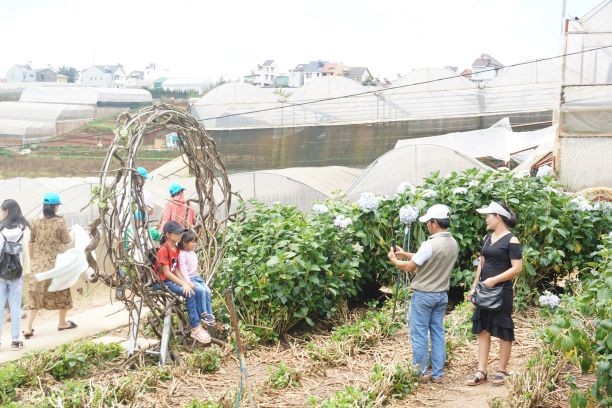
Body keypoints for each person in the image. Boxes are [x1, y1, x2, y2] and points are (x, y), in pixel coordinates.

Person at [388, 204, 458, 384]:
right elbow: (427, 257)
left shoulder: (430, 244)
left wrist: (396, 260)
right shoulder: (452, 242)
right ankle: (437, 374)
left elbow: (411, 268)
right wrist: (405, 254)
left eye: (428, 222)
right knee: (437, 333)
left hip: (424, 295)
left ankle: (419, 372)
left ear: (434, 223)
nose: (427, 225)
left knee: (419, 333)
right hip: (441, 295)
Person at [466, 201, 522, 386]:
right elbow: (481, 265)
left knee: (503, 329)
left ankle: (502, 370)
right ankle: (481, 370)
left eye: (488, 216)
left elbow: (517, 268)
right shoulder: (487, 239)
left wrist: (495, 280)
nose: (486, 220)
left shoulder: (512, 240)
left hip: (501, 291)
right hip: (484, 290)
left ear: (497, 217)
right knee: (483, 328)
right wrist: (475, 287)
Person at [24, 193, 76, 338]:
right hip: (56, 264)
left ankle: (28, 328)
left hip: (39, 265)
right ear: (54, 207)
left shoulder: (34, 221)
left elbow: (31, 242)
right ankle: (62, 323)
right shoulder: (60, 222)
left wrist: (34, 261)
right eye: (57, 205)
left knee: (34, 295)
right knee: (62, 291)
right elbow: (67, 241)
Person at [153, 221, 211, 344]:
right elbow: (167, 273)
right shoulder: (164, 250)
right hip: (162, 282)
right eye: (177, 233)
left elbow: (177, 269)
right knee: (189, 293)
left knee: (192, 289)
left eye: (181, 232)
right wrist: (183, 284)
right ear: (168, 234)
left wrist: (185, 282)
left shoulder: (176, 249)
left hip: (171, 279)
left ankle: (199, 321)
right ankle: (195, 328)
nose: (180, 235)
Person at [0, 199, 29, 350]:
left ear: (7, 211)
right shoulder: (23, 229)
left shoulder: (0, 229)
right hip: (17, 273)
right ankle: (15, 341)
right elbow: (26, 252)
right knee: (15, 307)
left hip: (1, 274)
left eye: (2, 210)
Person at [178, 230, 215, 327]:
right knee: (201, 291)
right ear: (185, 243)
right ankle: (203, 313)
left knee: (207, 290)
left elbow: (195, 267)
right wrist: (188, 282)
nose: (195, 244)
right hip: (190, 279)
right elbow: (183, 270)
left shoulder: (192, 253)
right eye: (193, 242)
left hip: (197, 277)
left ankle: (209, 313)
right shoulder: (182, 254)